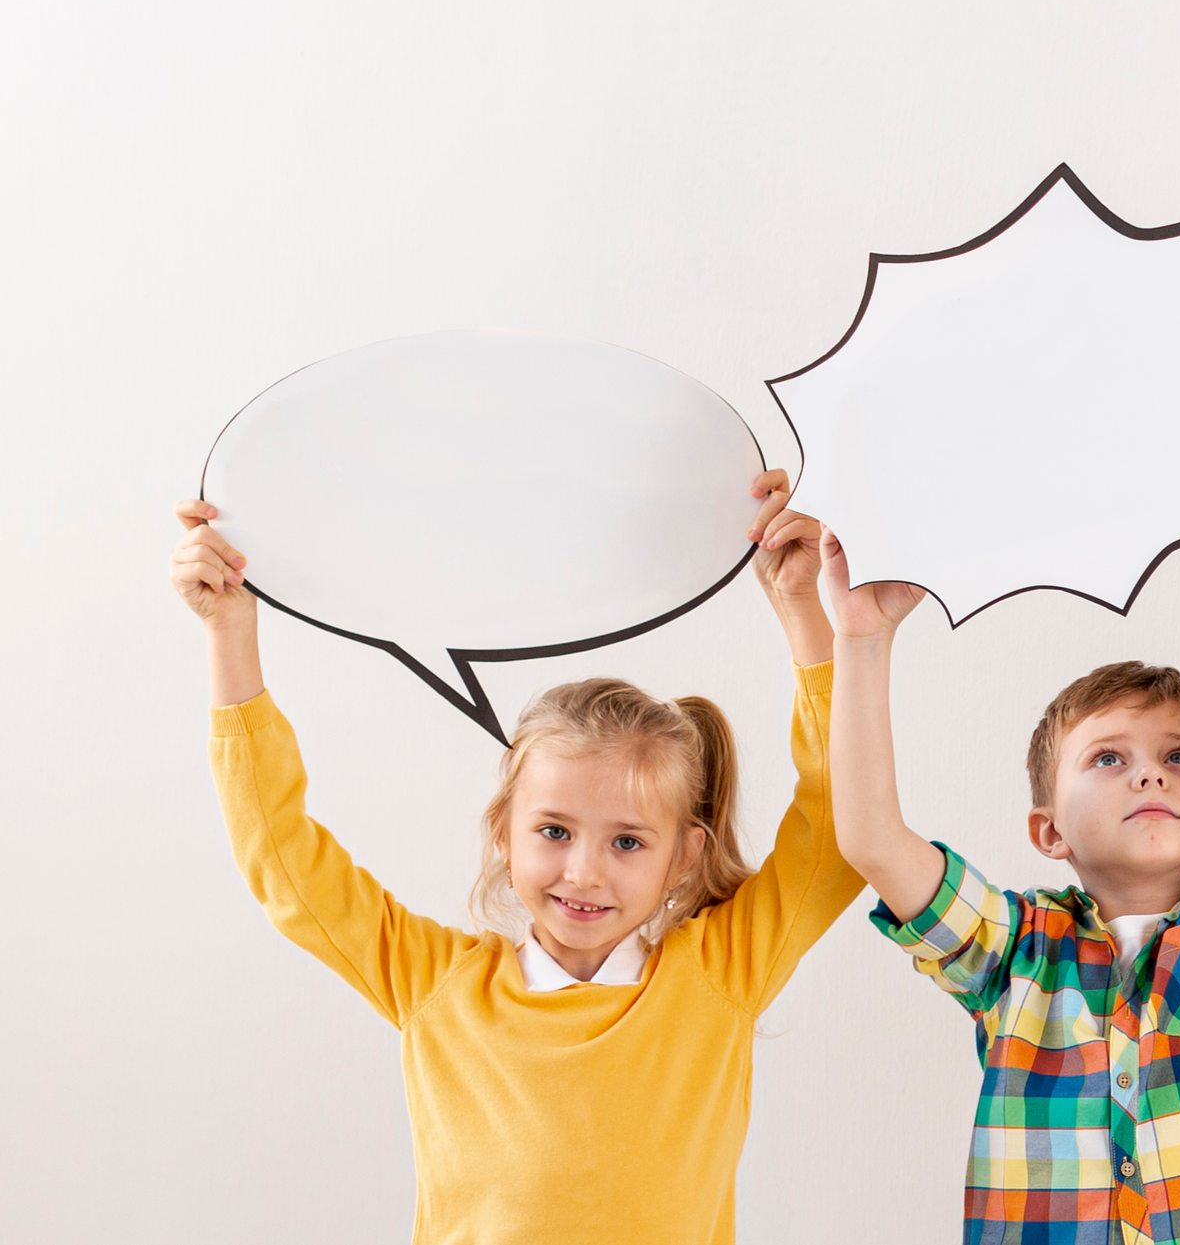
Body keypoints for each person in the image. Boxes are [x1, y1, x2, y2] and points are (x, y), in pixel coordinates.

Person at [171, 471, 860, 1244]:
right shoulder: (436, 984)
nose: (584, 872)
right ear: (503, 832)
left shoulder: (719, 973)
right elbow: (283, 857)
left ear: (684, 857)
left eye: (627, 840)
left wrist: (804, 609)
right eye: (554, 831)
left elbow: (842, 828)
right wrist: (229, 635)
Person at [830, 472, 1180, 1245]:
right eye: (1108, 759)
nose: (1150, 772)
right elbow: (872, 837)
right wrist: (861, 640)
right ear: (1050, 833)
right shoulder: (1012, 950)